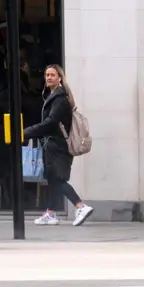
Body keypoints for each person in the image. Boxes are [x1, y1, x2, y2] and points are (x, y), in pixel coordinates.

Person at [24, 64, 93, 226]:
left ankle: (80, 206)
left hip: (57, 146)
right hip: (54, 144)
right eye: (47, 75)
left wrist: (26, 132)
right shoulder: (56, 96)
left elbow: (51, 123)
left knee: (58, 179)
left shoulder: (60, 99)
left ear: (59, 78)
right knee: (53, 178)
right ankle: (51, 213)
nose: (48, 78)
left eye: (52, 75)